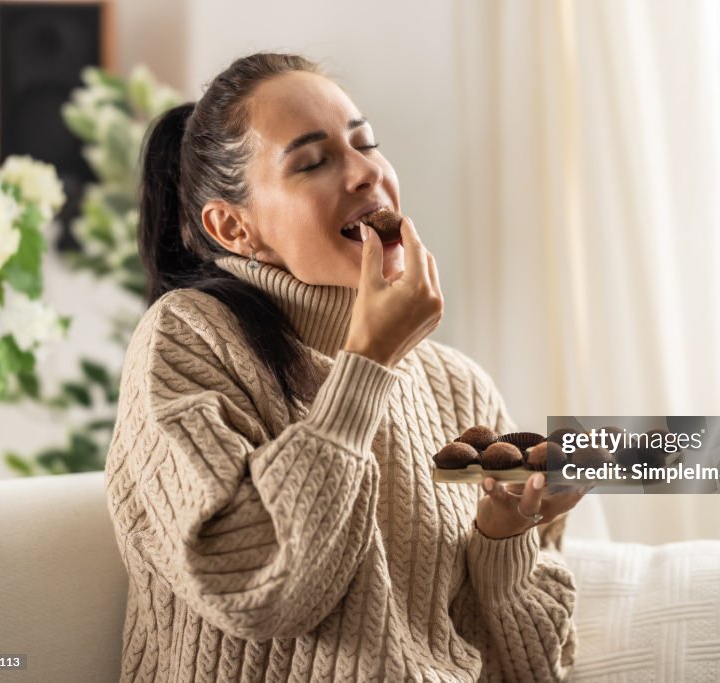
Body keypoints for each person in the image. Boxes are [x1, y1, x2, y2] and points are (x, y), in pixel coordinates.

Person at [105, 52, 588, 682]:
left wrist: (503, 540)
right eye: (313, 161)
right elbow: (257, 589)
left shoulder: (457, 386)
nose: (366, 173)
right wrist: (366, 365)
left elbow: (531, 667)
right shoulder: (189, 338)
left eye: (366, 143)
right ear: (233, 226)